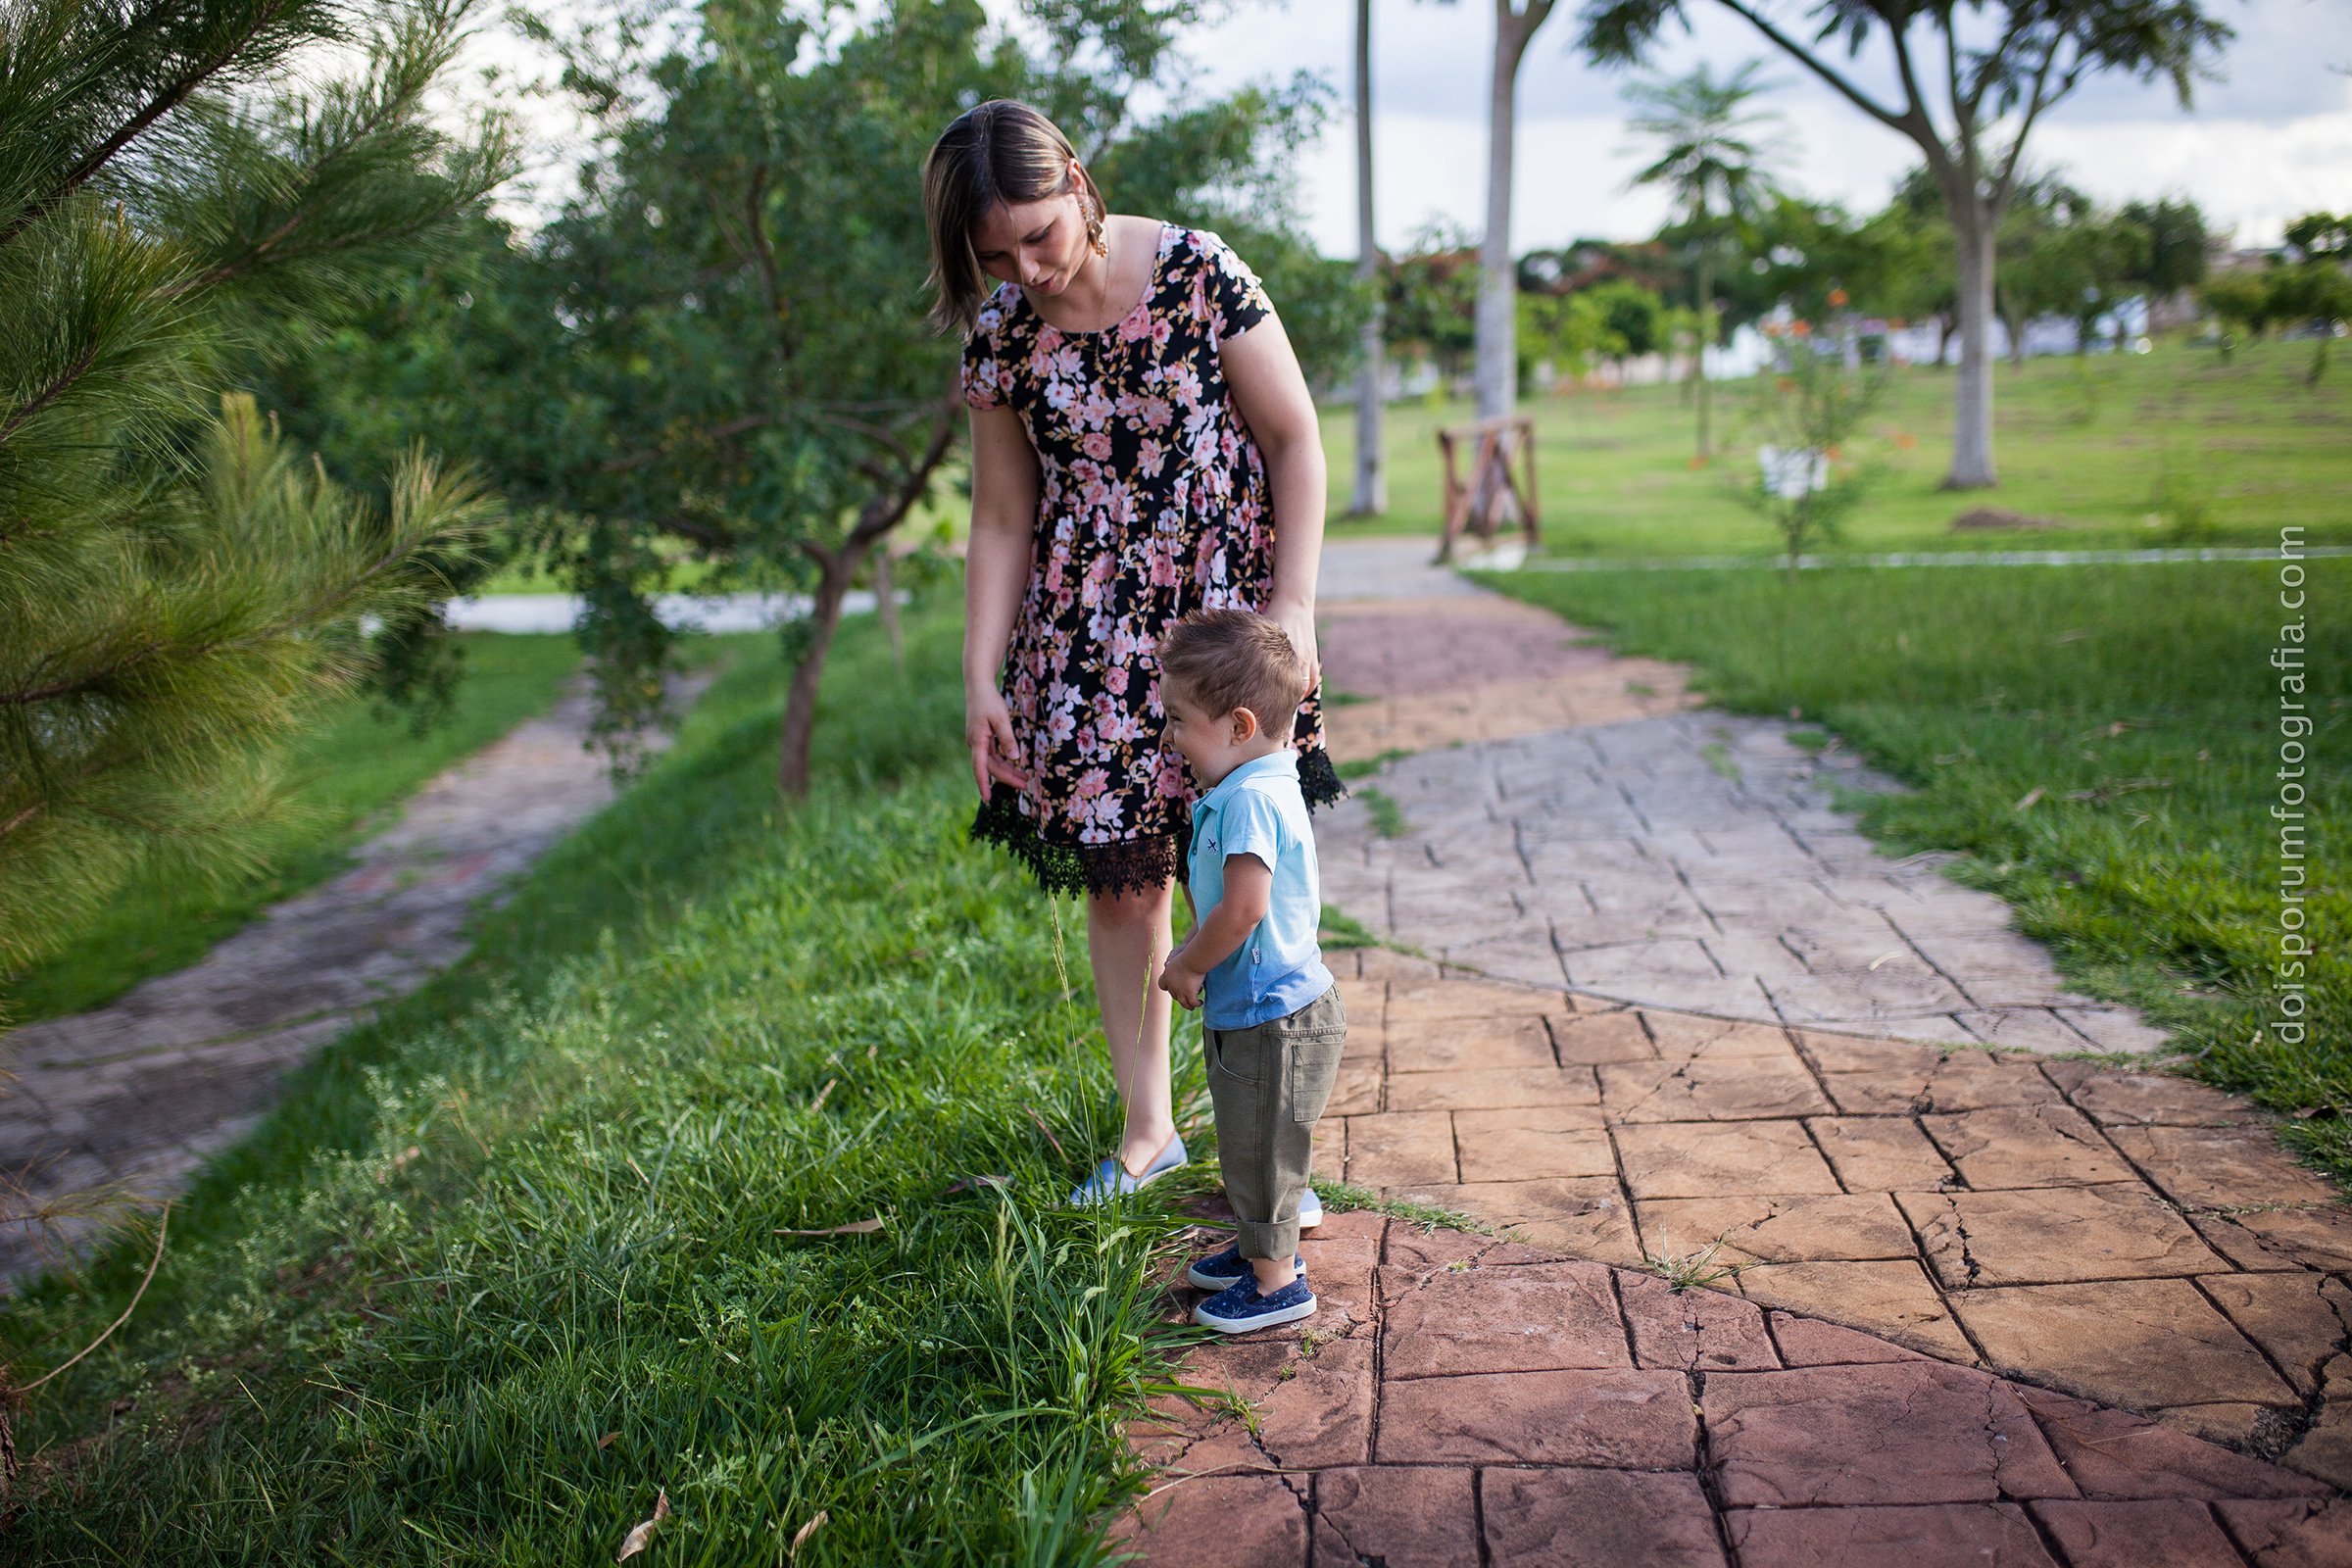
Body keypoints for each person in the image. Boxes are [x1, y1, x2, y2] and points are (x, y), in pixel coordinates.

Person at [923, 99, 1341, 1208]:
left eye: (1040, 235)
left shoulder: (1201, 274)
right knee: (1123, 889)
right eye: (997, 255)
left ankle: (1271, 1145)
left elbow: (1295, 441)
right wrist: (982, 677)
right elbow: (1002, 517)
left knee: (1246, 872)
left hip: (1227, 630)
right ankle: (1150, 1129)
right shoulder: (1003, 333)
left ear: (1076, 178)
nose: (1029, 269)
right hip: (1090, 638)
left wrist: (1291, 606)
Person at [1153, 609, 1345, 1333]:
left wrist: (1185, 964)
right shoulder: (1254, 785)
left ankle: (1276, 1284)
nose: (1169, 735)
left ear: (1237, 726)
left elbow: (1242, 912)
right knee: (1247, 1139)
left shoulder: (1253, 800)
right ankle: (1261, 1250)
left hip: (1277, 1019)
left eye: (1178, 720)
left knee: (1265, 1150)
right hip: (1264, 1012)